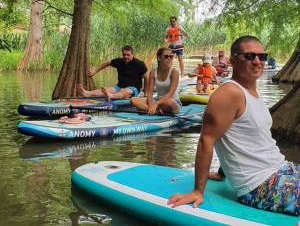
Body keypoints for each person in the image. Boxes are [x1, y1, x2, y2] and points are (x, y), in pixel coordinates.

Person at [168, 35, 300, 216]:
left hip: (282, 170)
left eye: (261, 56)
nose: (257, 61)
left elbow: (243, 138)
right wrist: (198, 191)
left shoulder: (252, 90)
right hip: (260, 186)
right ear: (233, 61)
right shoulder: (229, 93)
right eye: (248, 56)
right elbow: (206, 140)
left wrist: (223, 173)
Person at [77, 45, 148, 101]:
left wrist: (146, 92)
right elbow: (107, 62)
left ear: (132, 54)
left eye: (128, 55)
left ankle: (110, 96)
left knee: (123, 91)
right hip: (120, 86)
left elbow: (146, 77)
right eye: (124, 55)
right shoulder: (119, 61)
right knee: (106, 89)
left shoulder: (139, 64)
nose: (126, 57)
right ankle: (86, 93)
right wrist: (95, 71)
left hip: (134, 89)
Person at [131, 47, 182, 115]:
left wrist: (156, 104)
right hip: (157, 101)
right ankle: (155, 110)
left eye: (171, 56)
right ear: (159, 58)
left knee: (170, 102)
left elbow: (170, 93)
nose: (169, 58)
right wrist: (150, 103)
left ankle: (152, 109)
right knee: (133, 100)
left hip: (172, 101)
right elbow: (150, 92)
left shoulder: (174, 72)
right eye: (166, 56)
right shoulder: (153, 72)